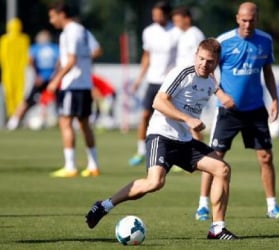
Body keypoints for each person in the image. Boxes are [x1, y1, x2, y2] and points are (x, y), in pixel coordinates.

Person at [85, 38, 238, 240]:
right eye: (201, 58)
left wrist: (215, 102)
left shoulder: (210, 83)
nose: (204, 64)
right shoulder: (182, 73)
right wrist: (188, 119)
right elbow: (159, 101)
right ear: (195, 56)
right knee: (155, 183)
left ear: (216, 62)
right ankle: (104, 205)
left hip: (184, 142)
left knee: (222, 169)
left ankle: (217, 228)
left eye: (209, 61)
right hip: (162, 135)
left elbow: (196, 105)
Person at [195, 2, 279, 221]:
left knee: (266, 157)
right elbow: (207, 70)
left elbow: (267, 71)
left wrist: (274, 98)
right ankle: (202, 205)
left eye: (252, 20)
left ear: (257, 19)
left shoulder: (265, 41)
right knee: (214, 158)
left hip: (255, 109)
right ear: (238, 18)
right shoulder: (224, 42)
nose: (247, 24)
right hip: (228, 112)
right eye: (244, 20)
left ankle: (272, 206)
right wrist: (220, 94)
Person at [47, 2, 100, 178]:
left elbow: (71, 60)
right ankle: (93, 165)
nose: (51, 20)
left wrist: (56, 79)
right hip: (84, 83)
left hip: (72, 84)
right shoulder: (82, 30)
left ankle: (70, 166)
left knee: (65, 122)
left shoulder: (71, 32)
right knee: (84, 124)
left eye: (52, 16)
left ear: (62, 14)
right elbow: (96, 50)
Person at [128, 1, 181, 167]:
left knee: (174, 119)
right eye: (154, 15)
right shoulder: (148, 32)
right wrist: (139, 79)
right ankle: (141, 151)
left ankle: (178, 154)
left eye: (159, 15)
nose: (156, 18)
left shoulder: (177, 32)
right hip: (152, 81)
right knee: (144, 115)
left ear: (167, 14)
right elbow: (147, 56)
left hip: (170, 83)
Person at [6, 30, 59, 130]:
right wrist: (37, 75)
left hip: (52, 79)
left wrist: (55, 75)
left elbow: (59, 62)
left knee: (60, 101)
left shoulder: (54, 48)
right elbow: (31, 61)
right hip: (41, 79)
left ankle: (66, 122)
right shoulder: (36, 48)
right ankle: (14, 121)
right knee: (28, 100)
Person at [172, 6, 206, 141]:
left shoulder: (194, 34)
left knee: (190, 120)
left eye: (177, 20)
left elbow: (199, 58)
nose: (176, 24)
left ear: (187, 19)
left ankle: (202, 154)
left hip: (191, 82)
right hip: (183, 81)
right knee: (186, 121)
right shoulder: (184, 35)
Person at [0, 18, 30, 119]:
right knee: (14, 94)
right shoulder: (6, 40)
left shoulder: (22, 39)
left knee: (16, 94)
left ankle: (16, 115)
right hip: (15, 72)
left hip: (14, 72)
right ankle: (15, 116)